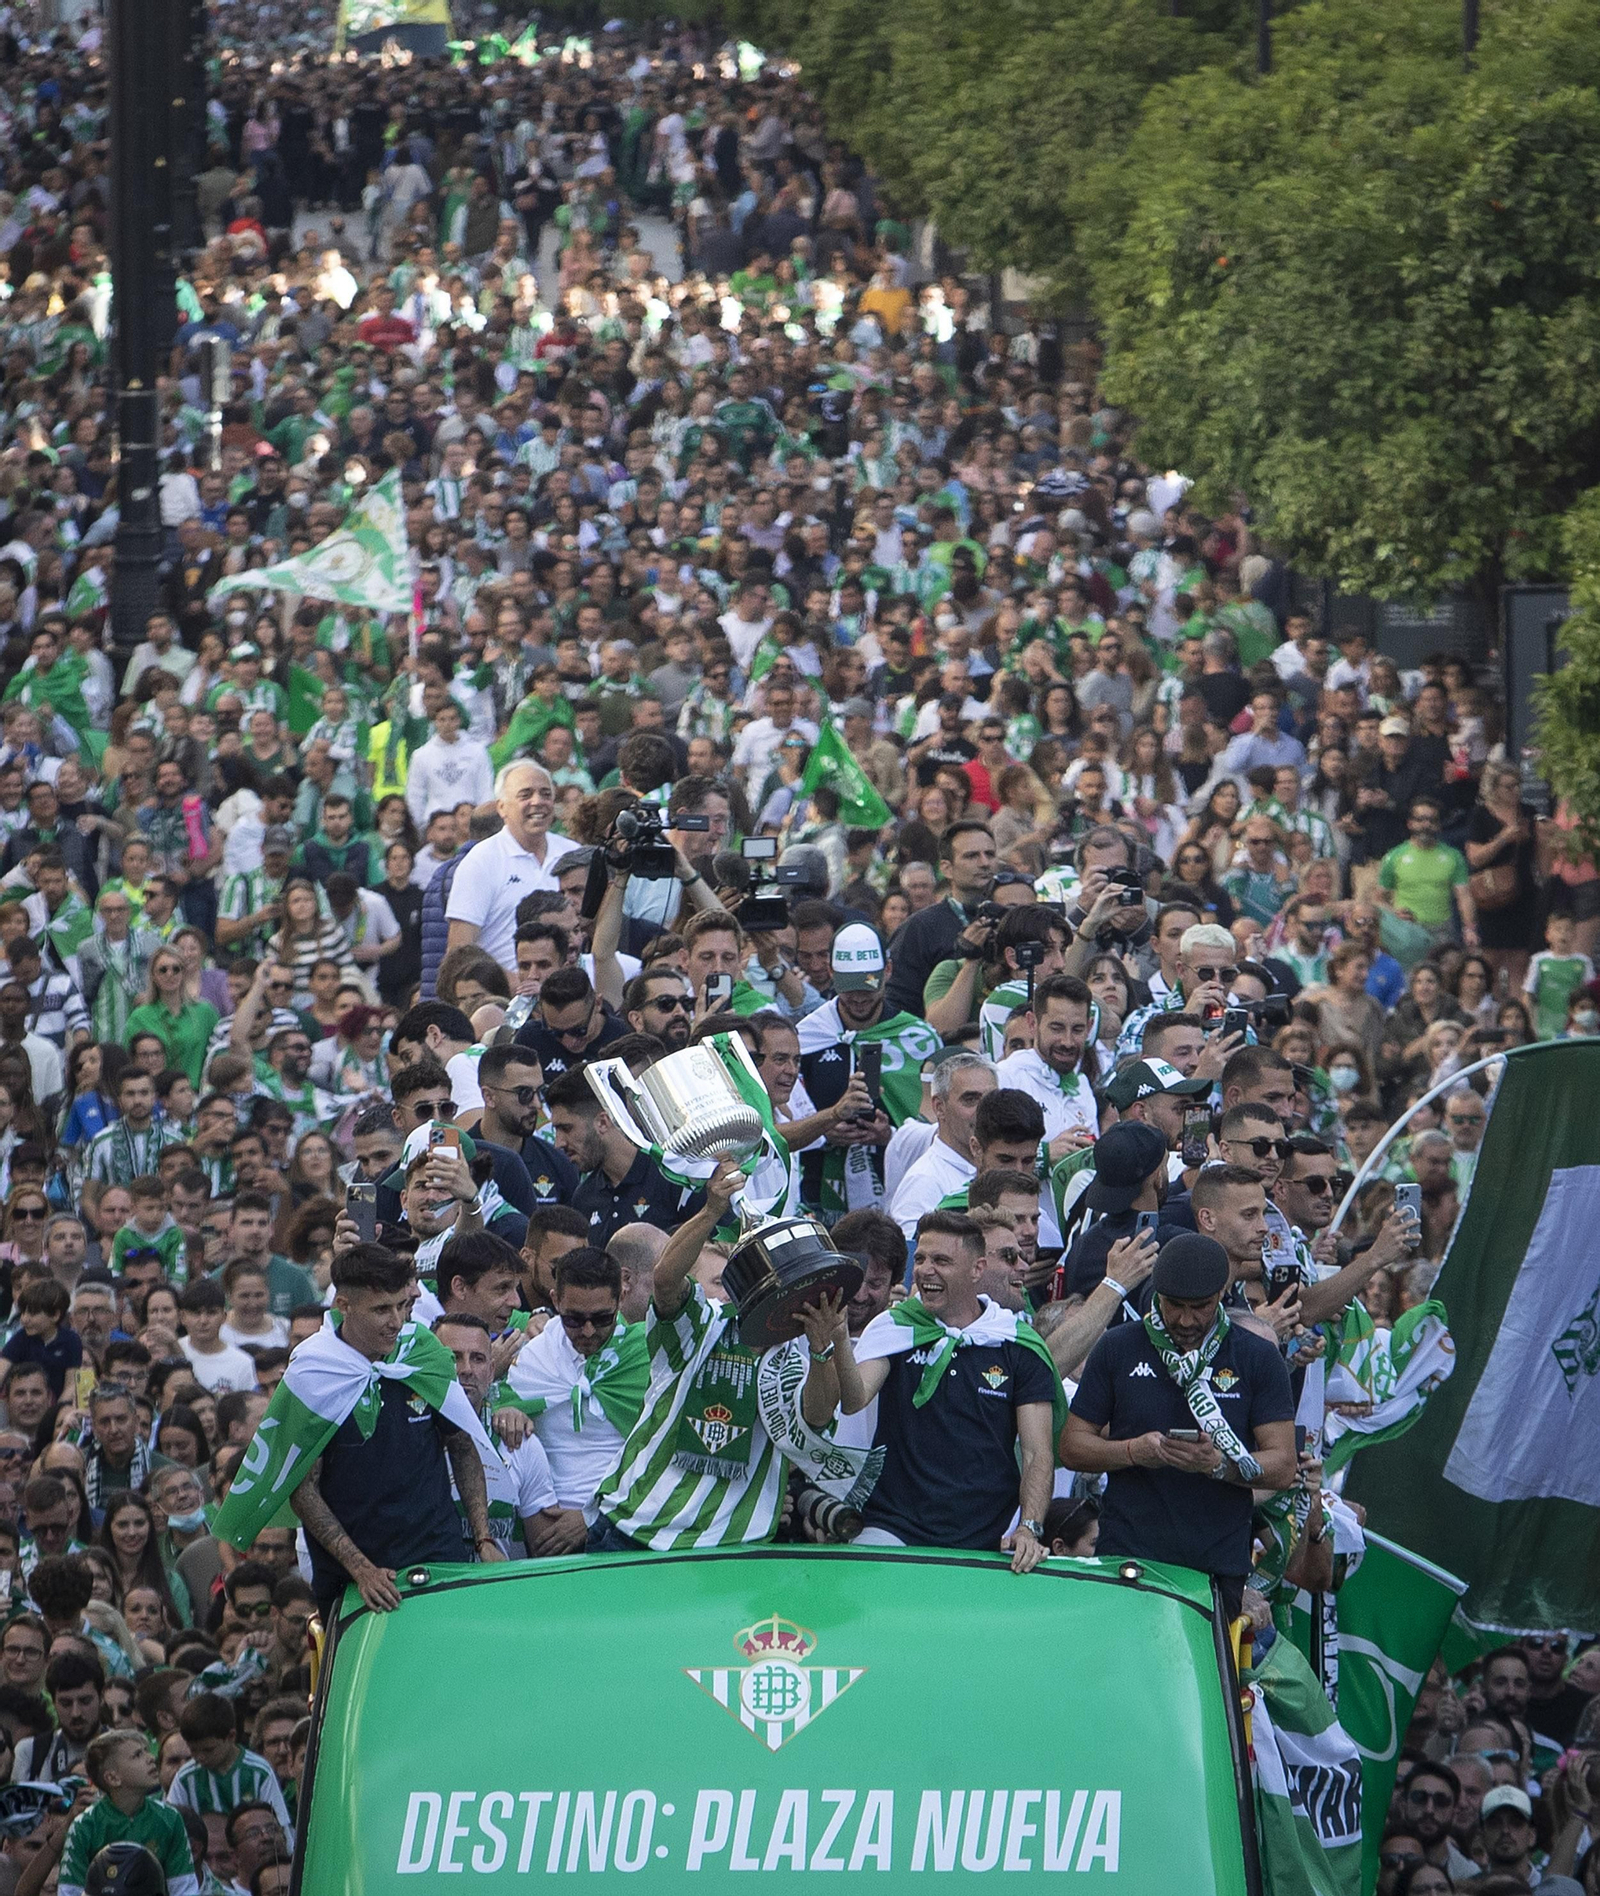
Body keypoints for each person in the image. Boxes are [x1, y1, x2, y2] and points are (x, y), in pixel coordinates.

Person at [223, 1242, 500, 1621]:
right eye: (381, 1309)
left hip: (437, 1556)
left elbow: (462, 1446)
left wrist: (483, 1538)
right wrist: (361, 1569)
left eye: (402, 1306)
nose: (396, 1322)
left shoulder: (422, 1353)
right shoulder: (314, 1372)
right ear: (344, 1306)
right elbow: (303, 1488)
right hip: (354, 1579)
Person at [589, 1159, 849, 1551]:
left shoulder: (796, 1352)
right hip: (636, 1529)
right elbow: (664, 1278)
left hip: (729, 1548)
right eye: (718, 1282)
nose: (730, 1292)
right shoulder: (701, 1321)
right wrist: (711, 1211)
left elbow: (815, 1417)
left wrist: (821, 1346)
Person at [1061, 1233, 1297, 1616]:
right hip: (1129, 1555)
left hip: (1217, 1565)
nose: (1186, 1320)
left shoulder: (1256, 1357)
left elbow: (1283, 1466)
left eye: (1200, 1307)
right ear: (1157, 1295)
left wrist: (1218, 1464)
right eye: (1174, 1306)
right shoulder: (1119, 1348)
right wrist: (1133, 1451)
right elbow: (1072, 1446)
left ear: (1222, 1293)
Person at [832, 1210, 1063, 1569]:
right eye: (921, 1259)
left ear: (977, 1269)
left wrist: (1028, 1528)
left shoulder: (1018, 1344)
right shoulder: (896, 1327)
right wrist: (836, 1334)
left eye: (941, 1260)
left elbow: (1037, 1454)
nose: (925, 1270)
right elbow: (854, 1399)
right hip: (893, 1527)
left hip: (988, 1535)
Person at [53, 1729, 199, 1896]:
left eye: (146, 1751)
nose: (151, 1758)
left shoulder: (170, 1819)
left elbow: (185, 1890)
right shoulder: (84, 1826)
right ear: (113, 1778)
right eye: (137, 1755)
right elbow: (69, 1892)